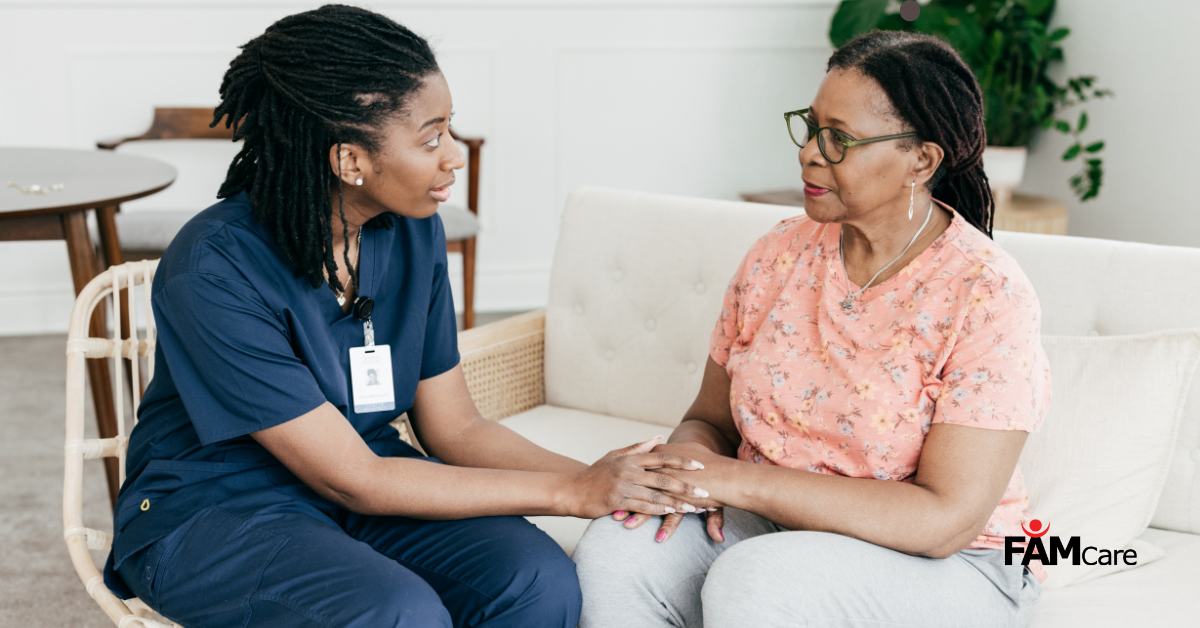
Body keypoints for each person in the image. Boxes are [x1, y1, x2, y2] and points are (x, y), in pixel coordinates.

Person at [101, 6, 707, 627]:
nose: (455, 157)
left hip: (370, 477)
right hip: (217, 509)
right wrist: (571, 494)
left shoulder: (414, 234)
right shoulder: (213, 267)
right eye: (431, 137)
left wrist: (612, 481)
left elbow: (459, 430)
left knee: (536, 580)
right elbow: (353, 478)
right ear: (349, 161)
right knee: (399, 614)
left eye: (451, 129)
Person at [573, 30, 1051, 628]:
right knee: (618, 551)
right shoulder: (779, 253)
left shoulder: (985, 293)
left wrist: (740, 483)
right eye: (811, 127)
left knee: (759, 581)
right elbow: (709, 422)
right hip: (772, 524)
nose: (809, 152)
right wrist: (689, 476)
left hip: (954, 564)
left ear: (920, 160)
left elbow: (944, 520)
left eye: (840, 139)